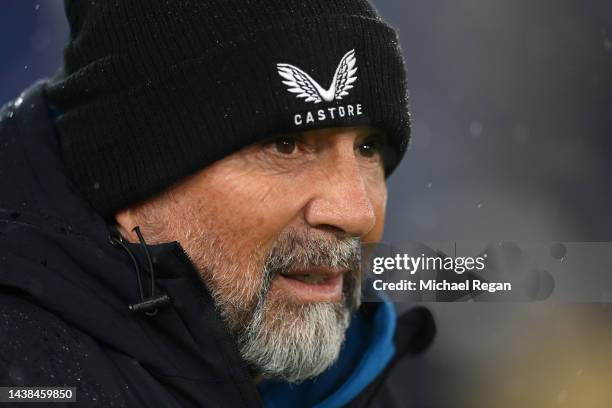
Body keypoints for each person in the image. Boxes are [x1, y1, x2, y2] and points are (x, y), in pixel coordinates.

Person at [0, 0, 435, 406]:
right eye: (285, 145)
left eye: (368, 148)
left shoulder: (354, 375)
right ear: (131, 183)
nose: (358, 213)